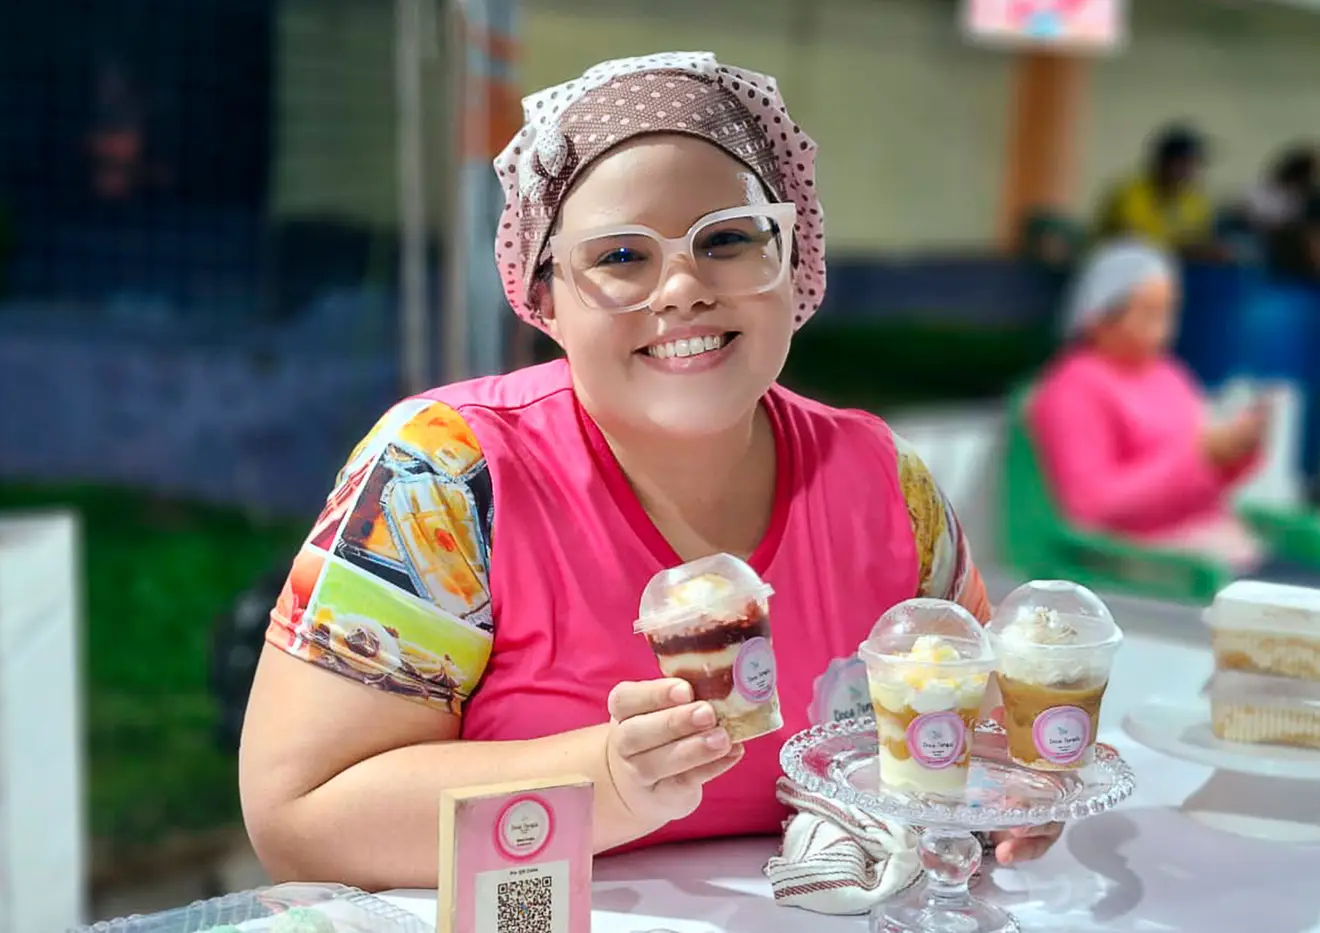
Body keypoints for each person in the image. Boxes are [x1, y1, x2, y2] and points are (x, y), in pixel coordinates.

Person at [238, 51, 1060, 890]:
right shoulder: (445, 478)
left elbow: (983, 740)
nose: (682, 289)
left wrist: (1010, 796)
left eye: (729, 239)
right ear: (544, 296)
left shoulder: (885, 485)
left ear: (794, 259)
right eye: (621, 256)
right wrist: (605, 780)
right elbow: (299, 815)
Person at [1028, 239, 1268, 569]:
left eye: (1169, 312)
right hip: (1146, 565)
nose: (1163, 328)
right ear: (1100, 316)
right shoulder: (1072, 389)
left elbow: (1200, 472)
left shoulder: (1170, 375)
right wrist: (1201, 456)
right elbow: (1092, 507)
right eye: (1149, 313)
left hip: (1214, 544)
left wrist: (1233, 453)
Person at [1094, 124, 1222, 259]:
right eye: (1182, 164)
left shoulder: (1196, 201)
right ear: (1160, 164)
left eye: (1194, 165)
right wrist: (1188, 248)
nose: (1188, 173)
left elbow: (1200, 240)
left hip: (1168, 266)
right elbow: (1136, 245)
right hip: (1116, 263)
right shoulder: (1130, 194)